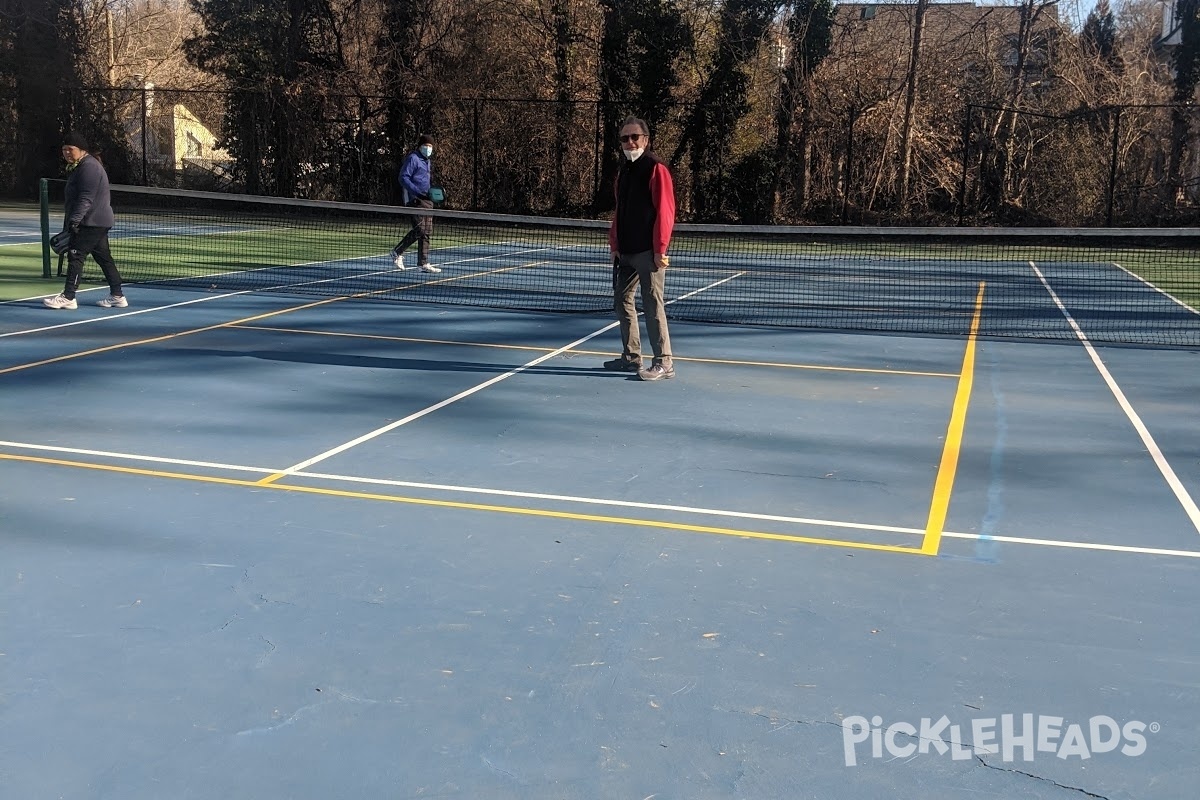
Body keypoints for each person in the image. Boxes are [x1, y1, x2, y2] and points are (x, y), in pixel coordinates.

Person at [605, 116, 677, 381]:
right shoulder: (623, 171)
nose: (630, 142)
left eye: (635, 137)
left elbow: (665, 211)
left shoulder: (656, 168)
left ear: (645, 140)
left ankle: (664, 362)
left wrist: (660, 249)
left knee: (652, 304)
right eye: (625, 138)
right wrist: (615, 244)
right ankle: (631, 357)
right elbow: (619, 212)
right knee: (621, 301)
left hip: (649, 252)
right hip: (626, 252)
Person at [43, 131, 128, 310]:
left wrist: (74, 221)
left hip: (91, 221)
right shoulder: (81, 165)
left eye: (70, 149)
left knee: (75, 255)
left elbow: (85, 198)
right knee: (104, 257)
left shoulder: (89, 167)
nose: (66, 152)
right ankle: (117, 295)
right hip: (96, 220)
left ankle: (68, 296)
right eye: (64, 149)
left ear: (81, 150)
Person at [389, 133, 441, 274]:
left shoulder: (427, 161)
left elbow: (425, 181)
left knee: (427, 232)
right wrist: (416, 192)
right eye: (426, 146)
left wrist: (432, 194)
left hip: (427, 200)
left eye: (430, 146)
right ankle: (397, 252)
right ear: (420, 146)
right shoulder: (413, 158)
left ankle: (423, 263)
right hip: (414, 200)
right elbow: (403, 177)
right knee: (420, 230)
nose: (428, 148)